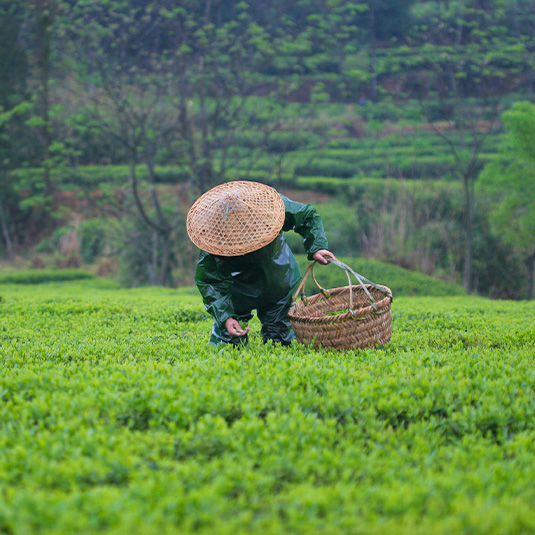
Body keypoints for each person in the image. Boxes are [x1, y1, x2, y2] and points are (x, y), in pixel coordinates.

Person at [186, 181, 336, 346]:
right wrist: (226, 318)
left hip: (278, 281)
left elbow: (307, 216)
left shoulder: (270, 206)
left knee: (279, 340)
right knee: (228, 343)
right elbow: (210, 282)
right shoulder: (213, 237)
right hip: (236, 292)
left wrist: (317, 247)